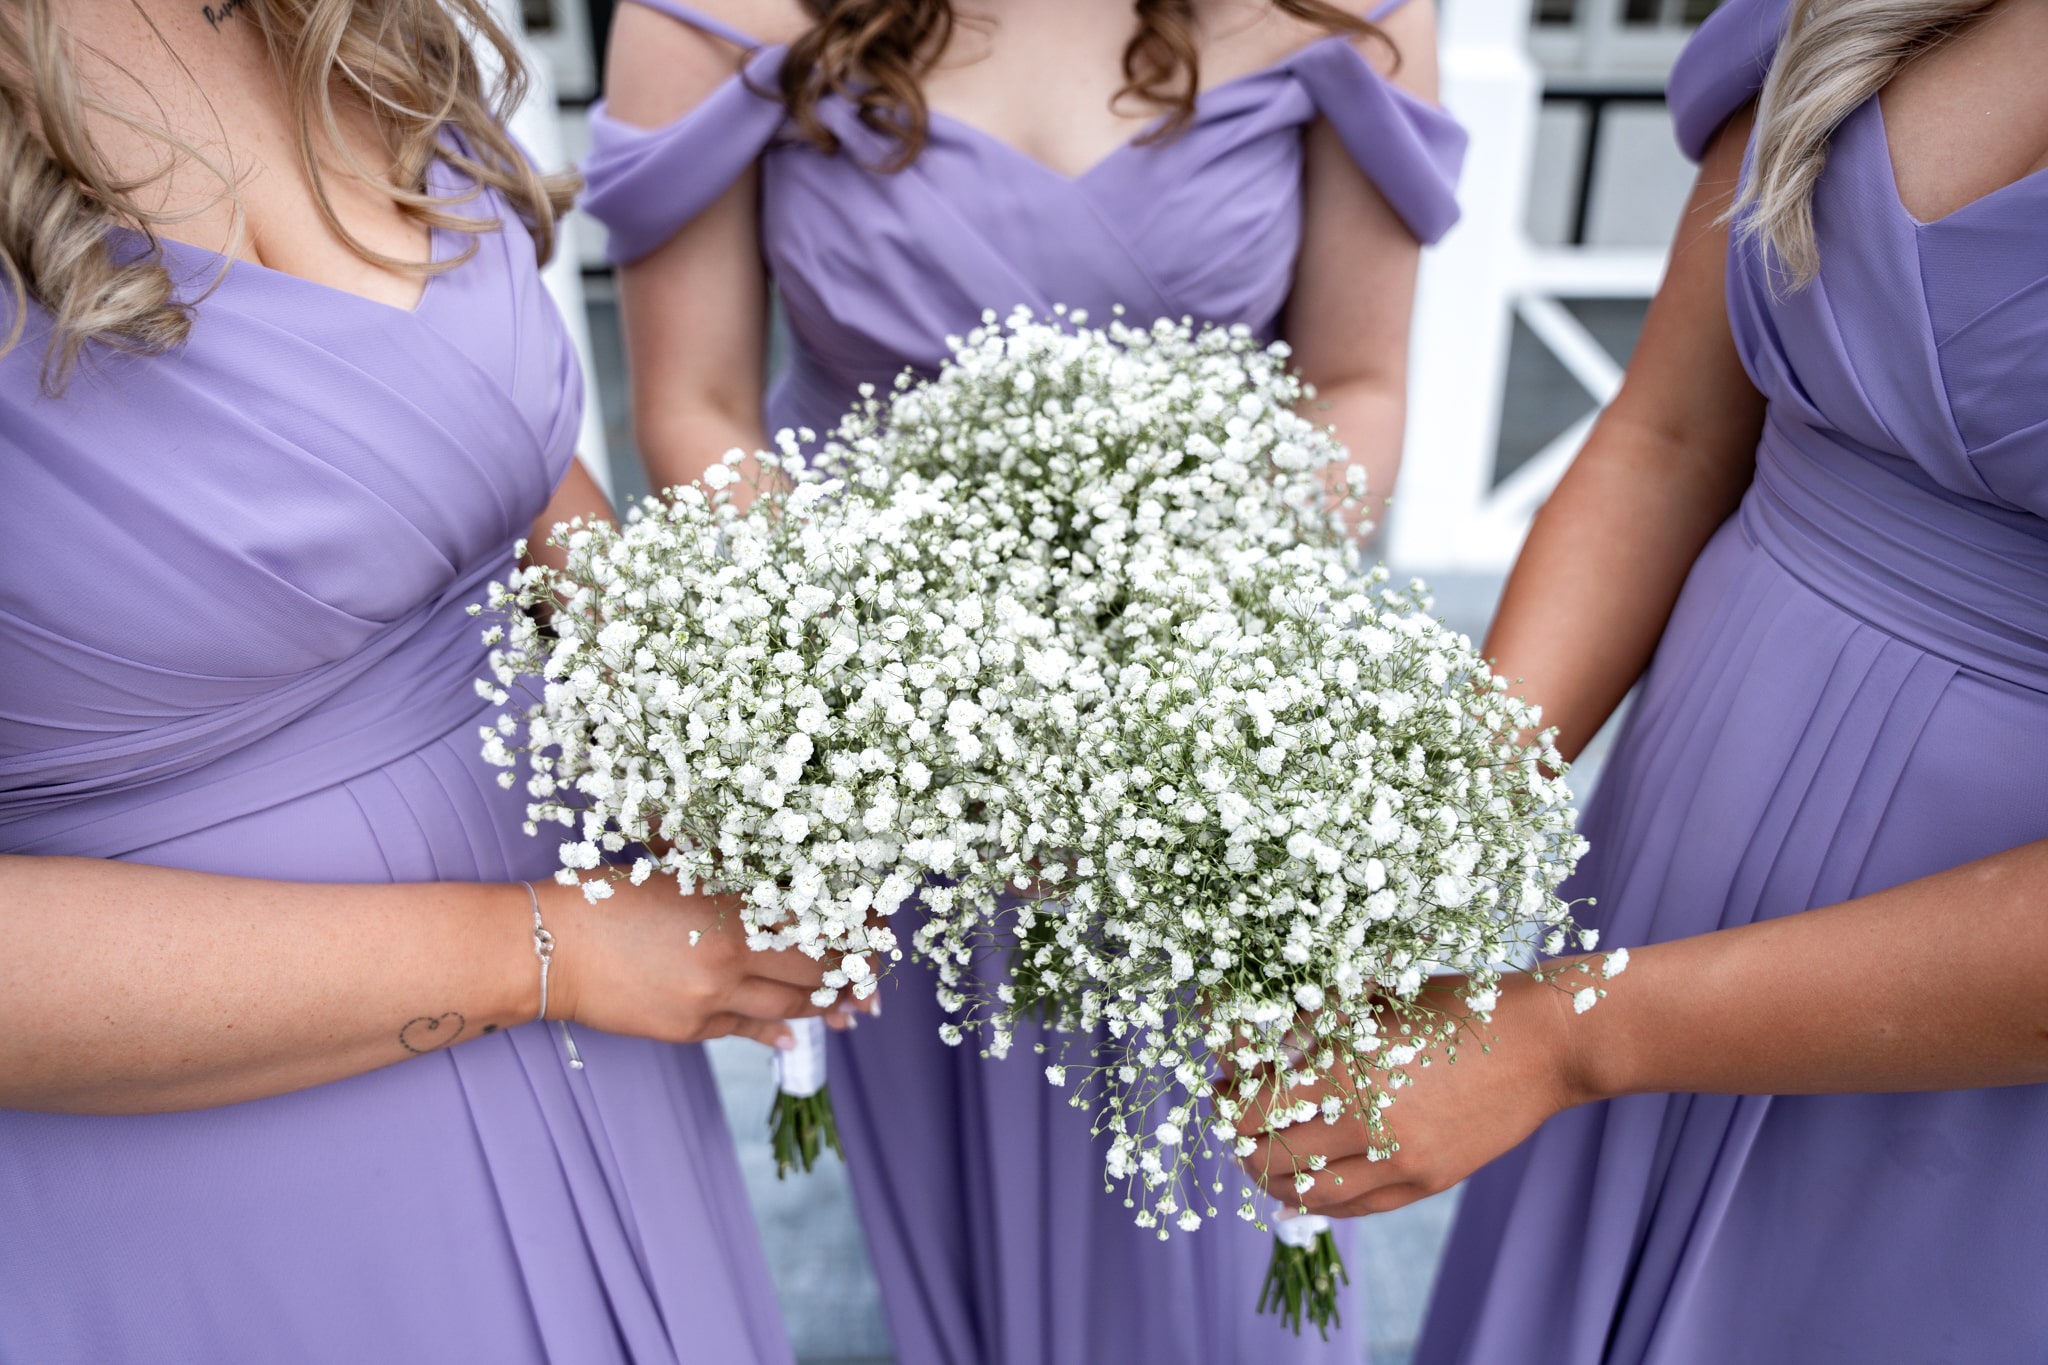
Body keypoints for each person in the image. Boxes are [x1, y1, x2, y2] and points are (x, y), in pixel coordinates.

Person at [580, 1, 1463, 1359]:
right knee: (957, 1249)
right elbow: (697, 408)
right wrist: (899, 689)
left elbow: (1356, 383)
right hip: (891, 740)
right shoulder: (711, 14)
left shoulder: (1346, 15)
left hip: (1203, 744)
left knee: (1222, 1251)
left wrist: (1178, 657)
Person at [0, 3, 843, 1360]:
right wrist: (551, 950)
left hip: (614, 1057)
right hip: (222, 1184)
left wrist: (714, 730)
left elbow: (483, 451)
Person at [1235, 0, 2048, 1360]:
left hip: (1954, 1070)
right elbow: (1669, 441)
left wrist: (1567, 1036)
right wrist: (1421, 842)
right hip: (1650, 893)